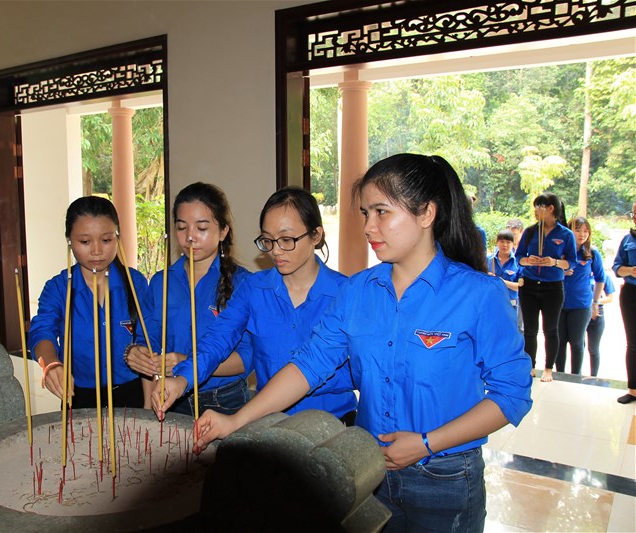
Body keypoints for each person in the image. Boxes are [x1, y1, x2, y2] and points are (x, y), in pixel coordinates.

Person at [183, 154, 532, 531]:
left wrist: (427, 442)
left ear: (426, 213)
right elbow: (308, 365)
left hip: (445, 478)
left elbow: (511, 394)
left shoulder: (478, 294)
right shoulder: (358, 291)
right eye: (365, 213)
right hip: (369, 468)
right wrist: (235, 421)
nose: (368, 226)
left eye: (381, 212)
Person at [153, 186, 358, 423]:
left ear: (316, 235)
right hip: (272, 423)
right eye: (268, 240)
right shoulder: (253, 288)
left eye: (286, 240)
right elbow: (218, 339)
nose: (276, 251)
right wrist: (183, 379)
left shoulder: (347, 293)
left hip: (333, 422)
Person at [125, 182, 252, 415]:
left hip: (224, 400)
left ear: (223, 231)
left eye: (201, 228)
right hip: (171, 398)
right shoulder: (161, 282)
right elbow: (148, 338)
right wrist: (138, 353)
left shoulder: (243, 283)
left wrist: (187, 364)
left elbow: (246, 358)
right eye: (182, 227)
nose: (190, 237)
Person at [28, 196, 153, 409]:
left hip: (130, 394)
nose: (96, 251)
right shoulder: (59, 287)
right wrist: (51, 365)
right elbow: (42, 332)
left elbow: (149, 340)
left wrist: (149, 406)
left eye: (106, 240)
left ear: (117, 237)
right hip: (78, 395)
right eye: (85, 242)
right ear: (69, 240)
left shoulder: (135, 283)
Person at [515, 192, 578, 382]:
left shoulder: (565, 234)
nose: (535, 210)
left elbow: (572, 262)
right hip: (529, 285)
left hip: (553, 287)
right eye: (535, 206)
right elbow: (519, 257)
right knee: (530, 329)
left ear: (551, 209)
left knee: (550, 329)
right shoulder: (530, 231)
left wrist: (554, 262)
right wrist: (529, 261)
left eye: (539, 207)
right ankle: (531, 366)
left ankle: (549, 368)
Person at [556, 217, 605, 375]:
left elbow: (600, 279)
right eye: (577, 230)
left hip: (581, 305)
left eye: (585, 231)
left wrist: (595, 302)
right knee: (559, 342)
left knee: (577, 343)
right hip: (558, 304)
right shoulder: (559, 252)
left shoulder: (592, 253)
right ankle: (560, 374)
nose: (582, 234)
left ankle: (575, 376)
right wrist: (561, 272)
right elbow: (546, 273)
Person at [613, 201, 636, 404]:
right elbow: (617, 267)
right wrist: (631, 270)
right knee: (633, 343)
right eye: (634, 213)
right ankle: (633, 390)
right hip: (631, 292)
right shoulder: (628, 239)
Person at [586, 273, 616, 377]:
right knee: (579, 345)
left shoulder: (604, 276)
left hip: (597, 312)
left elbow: (610, 298)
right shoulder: (582, 272)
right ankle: (576, 375)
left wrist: (594, 302)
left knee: (593, 348)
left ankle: (593, 376)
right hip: (581, 311)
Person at [487, 229, 520, 312]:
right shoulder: (487, 260)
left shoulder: (518, 263)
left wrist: (501, 281)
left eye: (508, 242)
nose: (505, 245)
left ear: (513, 244)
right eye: (502, 241)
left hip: (510, 305)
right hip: (490, 302)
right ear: (497, 242)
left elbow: (520, 286)